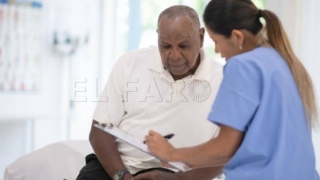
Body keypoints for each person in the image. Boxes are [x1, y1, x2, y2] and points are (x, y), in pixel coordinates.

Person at [144, 0, 320, 180]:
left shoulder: (243, 66)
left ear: (237, 37)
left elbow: (225, 147)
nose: (217, 50)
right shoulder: (279, 61)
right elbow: (239, 149)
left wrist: (171, 153)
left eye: (217, 41)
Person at [76, 5, 225, 180]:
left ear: (200, 38)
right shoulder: (129, 64)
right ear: (158, 38)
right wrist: (122, 176)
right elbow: (99, 131)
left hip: (180, 175)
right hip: (118, 167)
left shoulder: (224, 80)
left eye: (184, 46)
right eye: (166, 46)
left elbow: (226, 155)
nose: (175, 55)